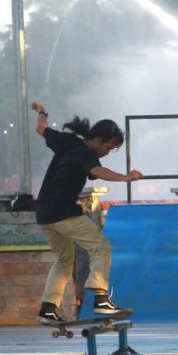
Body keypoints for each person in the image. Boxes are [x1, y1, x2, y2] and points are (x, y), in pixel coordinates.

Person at [30, 101, 144, 324]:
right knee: (101, 247)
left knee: (64, 259)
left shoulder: (65, 140)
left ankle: (48, 309)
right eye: (108, 148)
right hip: (63, 213)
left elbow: (41, 127)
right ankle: (101, 299)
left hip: (43, 214)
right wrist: (126, 177)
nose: (107, 153)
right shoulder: (86, 154)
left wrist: (42, 111)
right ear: (98, 140)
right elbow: (98, 171)